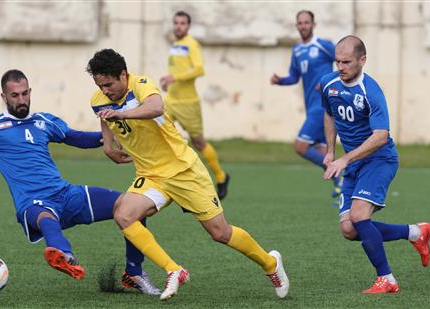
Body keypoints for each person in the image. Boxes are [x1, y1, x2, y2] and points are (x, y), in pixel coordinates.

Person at [0, 69, 161, 296]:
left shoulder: (43, 121)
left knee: (130, 206)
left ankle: (133, 273)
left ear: (30, 91)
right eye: (15, 95)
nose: (21, 99)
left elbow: (77, 138)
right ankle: (62, 253)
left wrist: (116, 133)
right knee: (46, 217)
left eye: (25, 93)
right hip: (32, 205)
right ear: (4, 97)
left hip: (66, 193)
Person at [87, 49, 289, 301]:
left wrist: (122, 113)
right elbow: (104, 118)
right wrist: (108, 146)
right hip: (151, 175)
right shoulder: (99, 98)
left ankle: (270, 263)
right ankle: (174, 270)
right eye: (100, 85)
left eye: (109, 84)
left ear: (123, 75)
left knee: (220, 233)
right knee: (124, 214)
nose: (105, 90)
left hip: (183, 170)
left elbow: (155, 106)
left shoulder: (140, 85)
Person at [321, 35, 430, 294]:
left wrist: (344, 158)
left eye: (346, 62)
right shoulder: (328, 84)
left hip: (380, 160)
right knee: (349, 229)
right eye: (337, 61)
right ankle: (415, 233)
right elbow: (330, 113)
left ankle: (387, 280)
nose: (341, 66)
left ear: (362, 60)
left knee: (359, 216)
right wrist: (329, 151)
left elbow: (381, 137)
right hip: (354, 163)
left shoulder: (371, 92)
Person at [159, 11, 230, 200]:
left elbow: (199, 69)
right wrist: (168, 82)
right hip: (171, 101)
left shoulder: (191, 44)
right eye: (176, 23)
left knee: (198, 142)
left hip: (188, 103)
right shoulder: (175, 46)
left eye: (182, 23)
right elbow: (178, 71)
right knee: (162, 134)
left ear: (188, 26)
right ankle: (169, 179)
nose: (178, 26)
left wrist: (174, 77)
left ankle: (221, 176)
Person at [270, 10, 341, 197]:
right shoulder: (297, 50)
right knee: (321, 150)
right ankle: (344, 186)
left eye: (306, 22)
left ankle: (340, 174)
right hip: (311, 107)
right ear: (297, 26)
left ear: (313, 24)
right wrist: (281, 80)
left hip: (322, 106)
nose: (303, 26)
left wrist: (327, 80)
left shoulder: (323, 45)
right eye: (300, 23)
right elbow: (294, 76)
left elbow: (344, 64)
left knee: (300, 146)